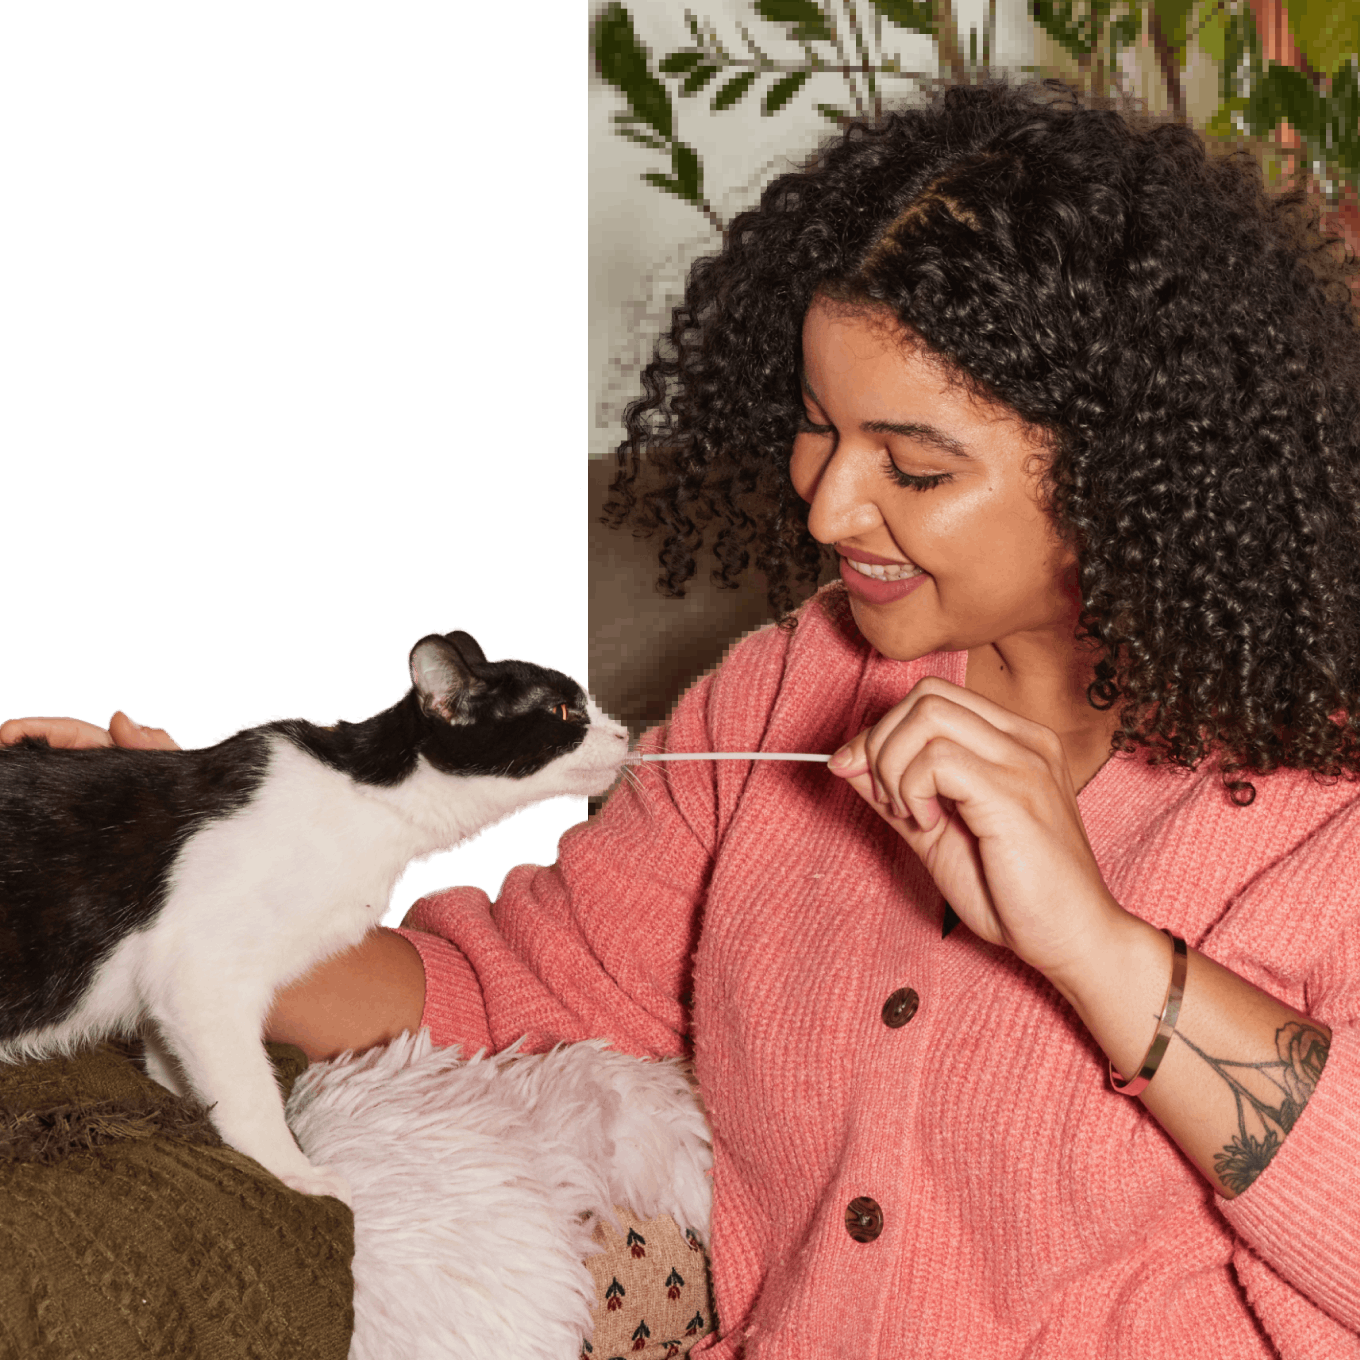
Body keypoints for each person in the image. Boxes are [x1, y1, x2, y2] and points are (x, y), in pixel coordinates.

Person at [7, 82, 1359, 1355]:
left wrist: (1099, 949)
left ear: (1136, 475)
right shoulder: (791, 686)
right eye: (819, 427)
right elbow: (528, 996)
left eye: (917, 465)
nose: (828, 509)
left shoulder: (1327, 814)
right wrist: (169, 883)